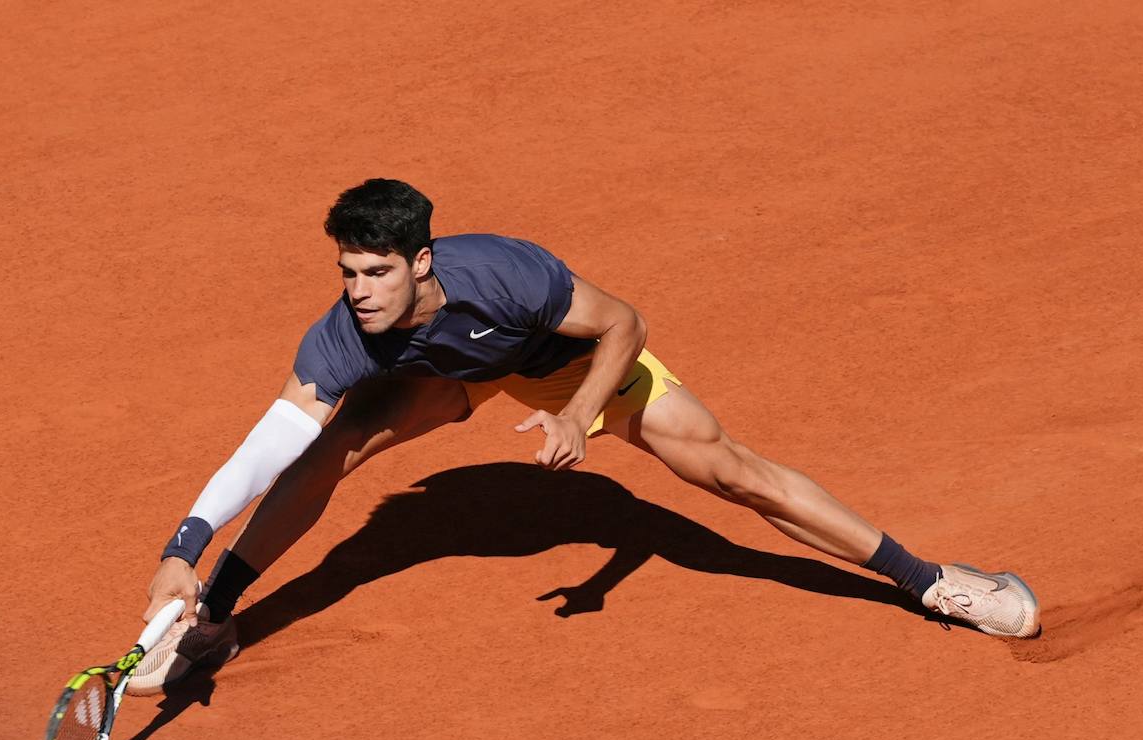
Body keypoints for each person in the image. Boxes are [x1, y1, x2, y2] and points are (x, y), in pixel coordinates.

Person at [127, 178, 1039, 695]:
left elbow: (623, 325)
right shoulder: (343, 334)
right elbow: (272, 438)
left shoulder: (512, 274)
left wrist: (574, 417)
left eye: (377, 272)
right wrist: (185, 543)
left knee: (729, 473)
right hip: (447, 375)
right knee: (330, 448)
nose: (359, 290)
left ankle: (936, 585)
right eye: (347, 272)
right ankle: (212, 618)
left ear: (423, 263)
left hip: (563, 364)